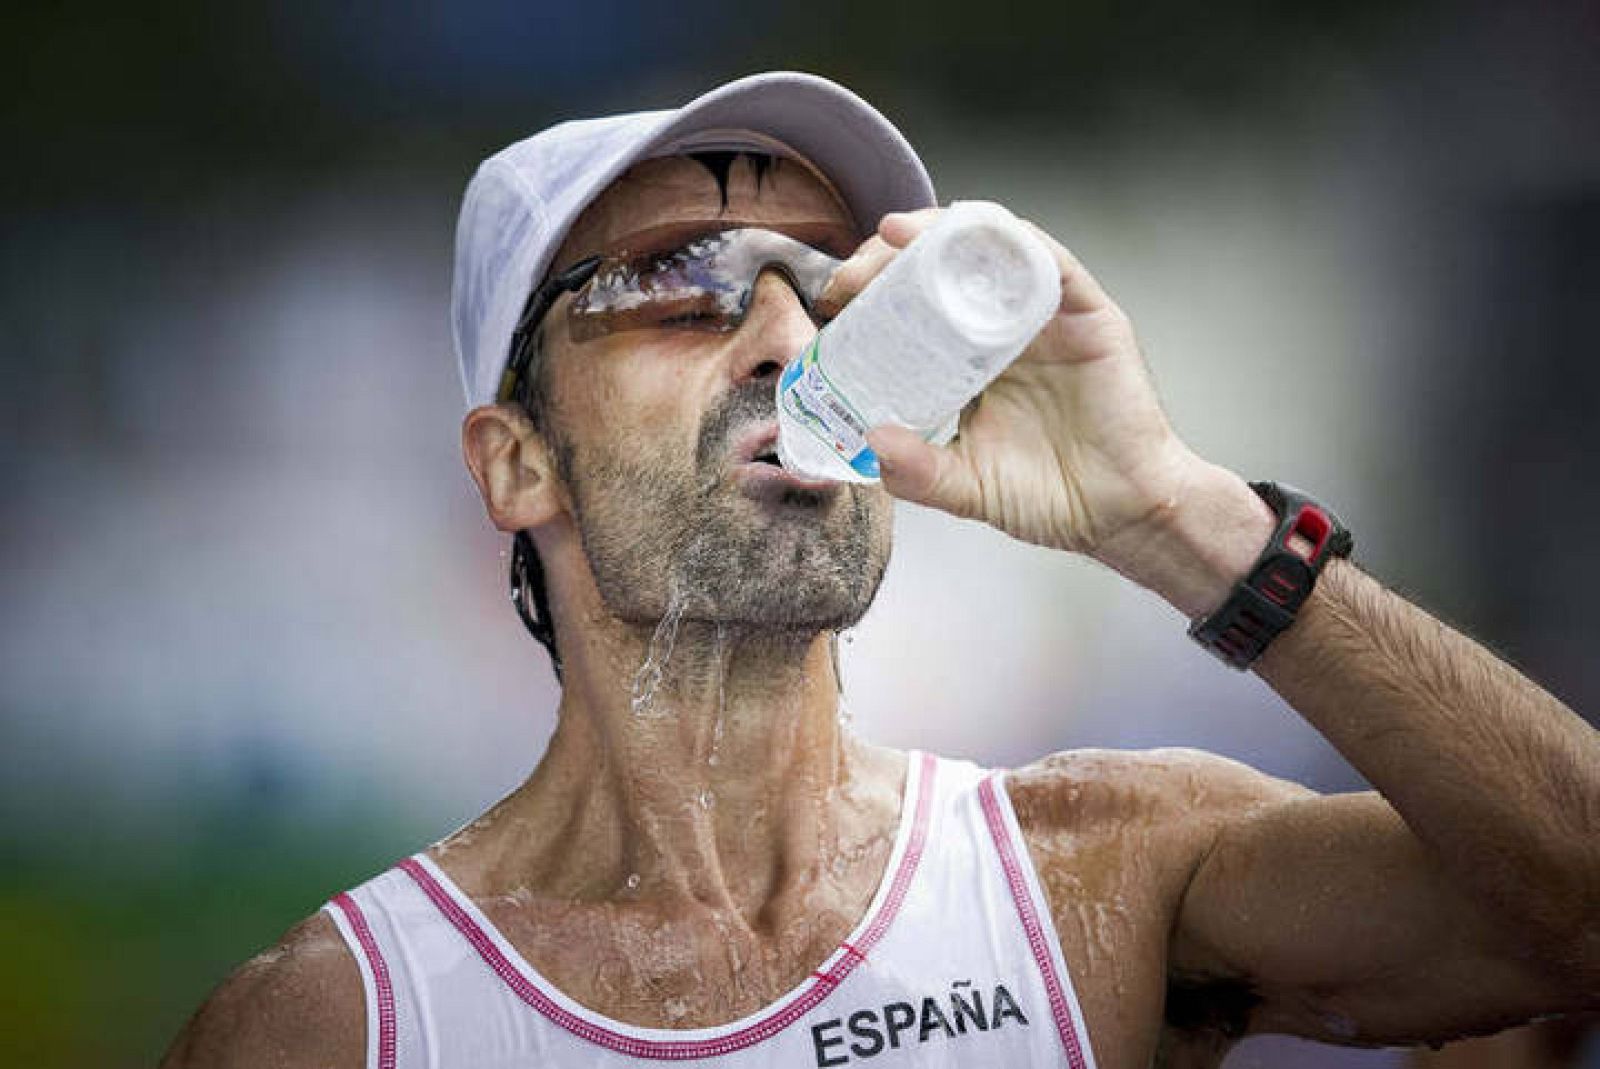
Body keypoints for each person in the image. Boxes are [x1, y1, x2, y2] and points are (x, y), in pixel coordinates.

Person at [161, 71, 1599, 1069]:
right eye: (680, 281)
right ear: (516, 462)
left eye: (836, 283)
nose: (791, 342)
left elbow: (1575, 910)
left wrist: (1171, 513)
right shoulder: (339, 1023)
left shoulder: (1101, 872)